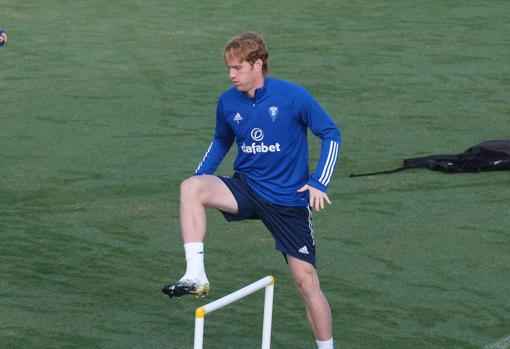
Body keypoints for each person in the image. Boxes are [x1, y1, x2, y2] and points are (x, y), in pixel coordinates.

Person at [162, 32, 341, 349]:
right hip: (246, 188)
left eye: (237, 68)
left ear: (257, 65)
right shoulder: (227, 101)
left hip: (287, 200)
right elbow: (222, 141)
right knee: (190, 188)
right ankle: (195, 275)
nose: (231, 75)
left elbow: (331, 134)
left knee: (306, 281)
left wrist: (318, 181)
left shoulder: (292, 96)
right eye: (229, 68)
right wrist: (202, 176)